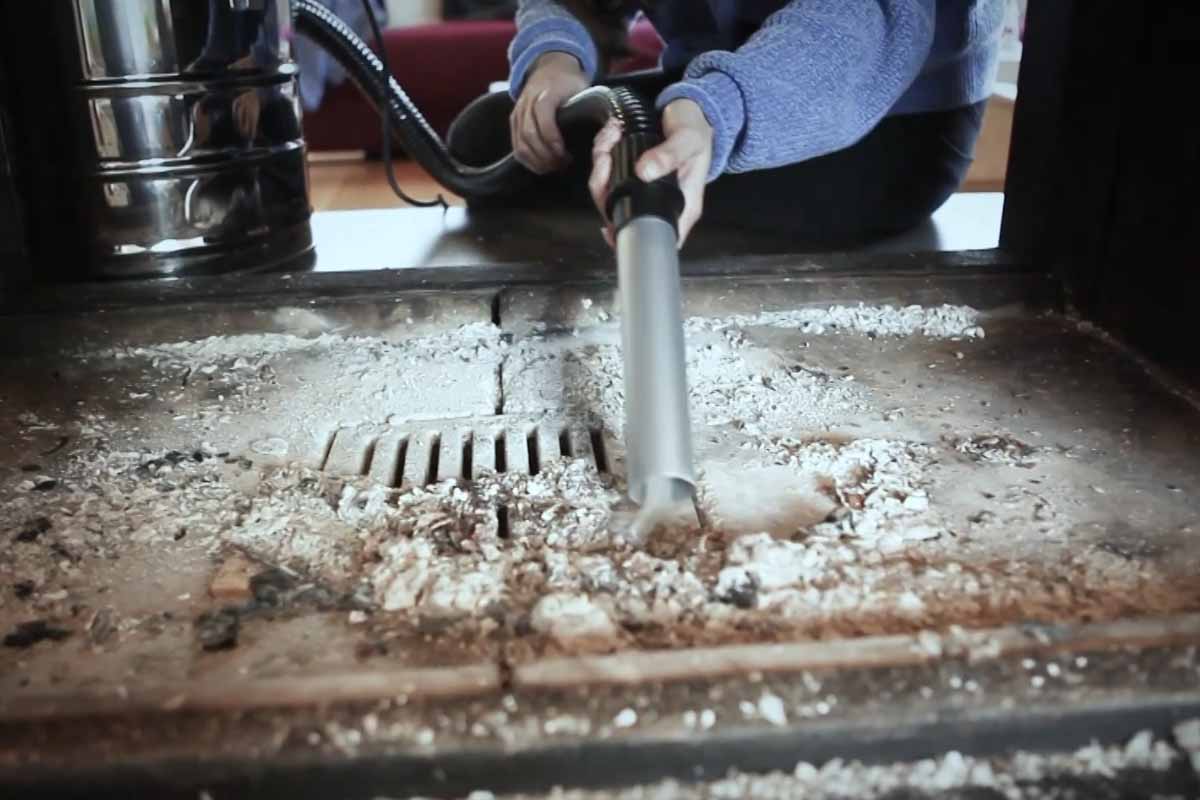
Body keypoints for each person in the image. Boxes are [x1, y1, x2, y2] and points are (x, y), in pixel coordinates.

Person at [447, 0, 1005, 248]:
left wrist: (717, 111)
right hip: (706, 90)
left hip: (885, 118)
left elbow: (858, 21)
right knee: (485, 143)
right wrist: (556, 59)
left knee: (635, 180)